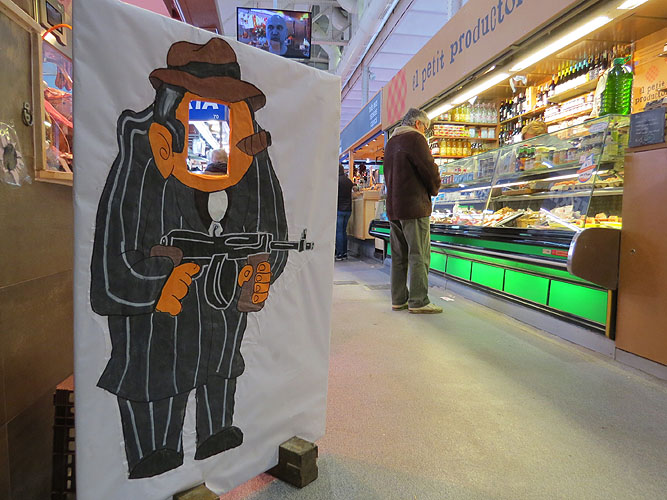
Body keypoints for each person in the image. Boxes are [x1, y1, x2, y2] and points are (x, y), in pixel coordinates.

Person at [90, 38, 289, 479]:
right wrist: (159, 282)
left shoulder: (249, 153)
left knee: (220, 412)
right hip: (154, 346)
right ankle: (155, 454)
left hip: (219, 333)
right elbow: (108, 272)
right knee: (156, 444)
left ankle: (216, 436)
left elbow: (272, 234)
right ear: (170, 122)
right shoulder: (143, 156)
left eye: (225, 120)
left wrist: (261, 270)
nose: (215, 139)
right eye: (204, 120)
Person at [384, 108, 442, 314]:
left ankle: (398, 299)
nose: (425, 132)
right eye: (425, 127)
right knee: (419, 254)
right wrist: (435, 188)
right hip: (414, 207)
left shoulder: (391, 142)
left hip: (394, 207)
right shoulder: (416, 139)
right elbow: (429, 169)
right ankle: (419, 301)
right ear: (418, 124)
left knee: (399, 256)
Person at [336, 164, 354, 260]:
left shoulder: (336, 181)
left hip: (339, 209)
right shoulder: (349, 181)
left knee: (339, 231)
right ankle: (345, 252)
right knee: (343, 231)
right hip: (348, 210)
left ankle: (339, 253)